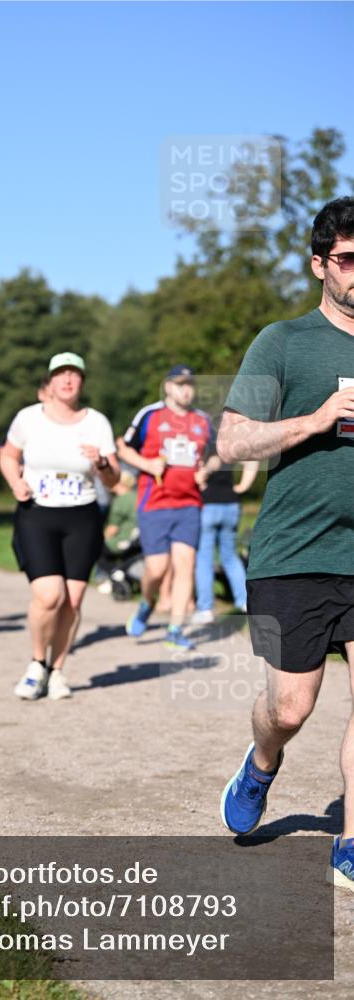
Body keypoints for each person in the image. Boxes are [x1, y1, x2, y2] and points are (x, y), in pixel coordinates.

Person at [217, 197, 354, 891]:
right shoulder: (283, 341)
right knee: (290, 707)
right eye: (348, 259)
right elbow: (231, 439)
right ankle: (261, 763)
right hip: (295, 553)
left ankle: (351, 842)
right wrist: (316, 418)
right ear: (319, 265)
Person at [0, 351, 120, 700]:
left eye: (74, 374)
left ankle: (57, 671)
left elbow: (114, 481)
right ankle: (37, 663)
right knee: (49, 595)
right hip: (37, 512)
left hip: (81, 516)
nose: (67, 380)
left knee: (73, 601)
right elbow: (8, 455)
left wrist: (100, 462)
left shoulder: (96, 422)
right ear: (50, 382)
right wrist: (14, 481)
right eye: (60, 374)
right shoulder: (28, 418)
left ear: (81, 381)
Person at [118, 366, 217, 650]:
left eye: (190, 385)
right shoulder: (150, 415)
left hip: (189, 504)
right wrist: (147, 465)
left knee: (185, 564)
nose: (185, 390)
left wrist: (205, 471)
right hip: (155, 503)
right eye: (179, 384)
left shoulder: (202, 421)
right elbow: (123, 447)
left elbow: (217, 455)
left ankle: (175, 629)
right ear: (168, 388)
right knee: (157, 569)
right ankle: (147, 604)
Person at [191, 458, 259, 624]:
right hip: (231, 504)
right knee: (229, 557)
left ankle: (205, 609)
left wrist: (203, 473)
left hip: (208, 505)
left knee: (204, 558)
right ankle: (245, 602)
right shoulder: (232, 444)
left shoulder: (206, 442)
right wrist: (243, 486)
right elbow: (252, 460)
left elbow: (213, 461)